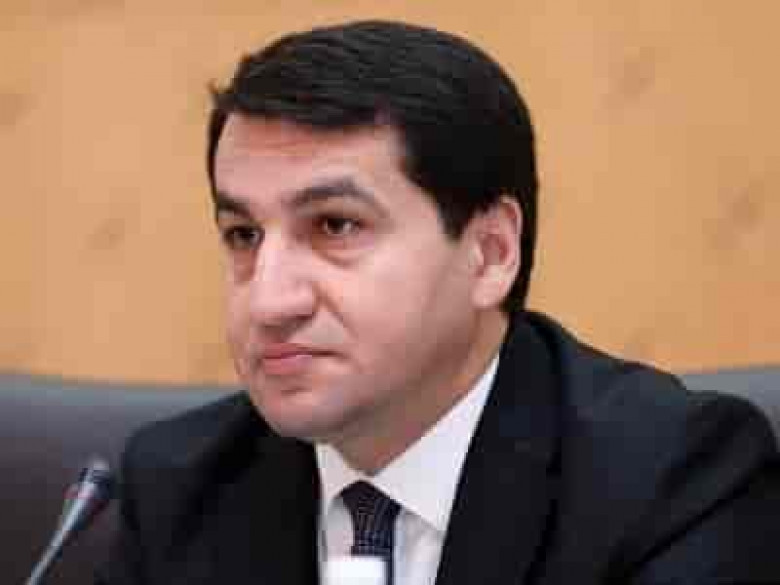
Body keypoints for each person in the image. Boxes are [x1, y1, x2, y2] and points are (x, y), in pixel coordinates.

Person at [98, 20, 780, 585]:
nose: (269, 301)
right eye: (243, 235)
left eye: (335, 226)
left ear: (490, 252)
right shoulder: (175, 490)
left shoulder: (672, 479)